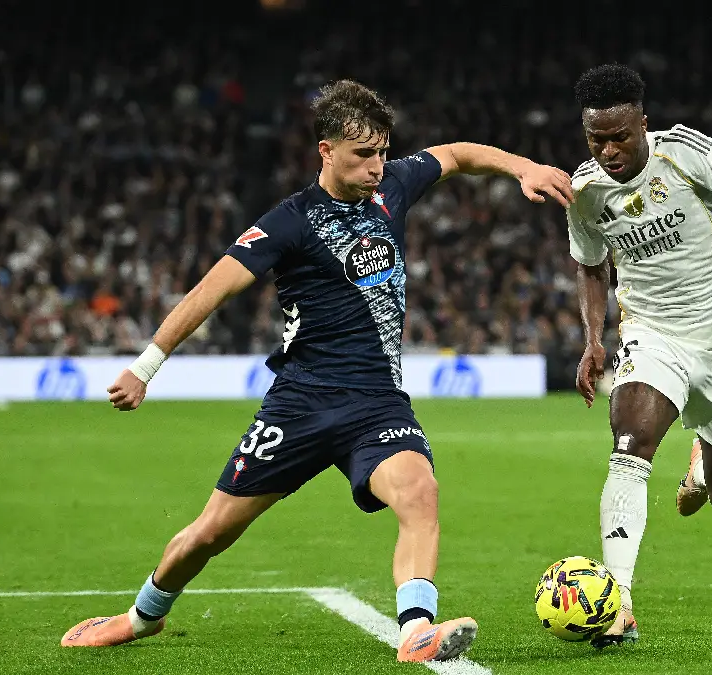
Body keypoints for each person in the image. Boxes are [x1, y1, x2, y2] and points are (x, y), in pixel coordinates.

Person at [59, 79, 573, 663]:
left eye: (383, 151)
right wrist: (145, 367)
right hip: (300, 404)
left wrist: (525, 167)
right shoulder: (289, 222)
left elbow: (455, 155)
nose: (378, 166)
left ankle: (415, 630)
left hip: (376, 402)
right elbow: (211, 290)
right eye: (363, 154)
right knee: (211, 532)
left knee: (419, 491)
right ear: (326, 151)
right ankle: (141, 616)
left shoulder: (392, 186)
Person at [568, 64, 712, 646]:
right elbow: (591, 266)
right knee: (630, 442)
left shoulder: (686, 153)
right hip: (653, 334)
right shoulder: (585, 191)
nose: (609, 151)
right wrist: (594, 338)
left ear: (643, 124)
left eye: (620, 137)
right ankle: (618, 602)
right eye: (596, 140)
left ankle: (703, 460)